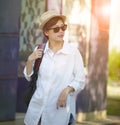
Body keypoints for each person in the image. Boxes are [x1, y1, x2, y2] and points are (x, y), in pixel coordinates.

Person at [23, 10, 85, 125]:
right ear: (46, 32)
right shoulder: (39, 50)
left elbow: (80, 80)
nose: (61, 31)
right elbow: (29, 77)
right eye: (56, 29)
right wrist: (29, 60)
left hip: (58, 114)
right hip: (36, 112)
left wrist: (66, 90)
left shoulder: (72, 52)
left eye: (63, 27)